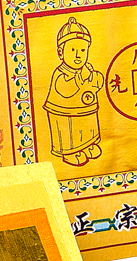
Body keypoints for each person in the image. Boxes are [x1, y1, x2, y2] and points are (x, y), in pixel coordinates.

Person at [44, 17, 104, 167]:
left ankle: (88, 145)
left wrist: (95, 79)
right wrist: (80, 79)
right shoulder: (60, 72)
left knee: (86, 128)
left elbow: (95, 82)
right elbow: (64, 89)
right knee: (70, 133)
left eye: (82, 50)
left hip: (86, 110)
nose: (78, 55)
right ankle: (70, 153)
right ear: (60, 52)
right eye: (72, 50)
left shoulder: (86, 69)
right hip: (65, 113)